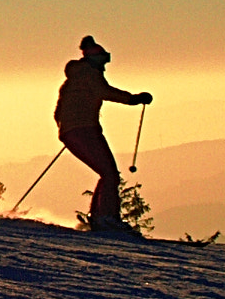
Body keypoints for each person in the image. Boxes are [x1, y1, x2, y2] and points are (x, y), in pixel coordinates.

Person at [53, 35, 153, 232]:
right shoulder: (89, 74)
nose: (105, 67)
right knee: (109, 174)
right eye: (104, 62)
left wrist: (66, 128)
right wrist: (134, 99)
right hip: (84, 130)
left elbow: (59, 109)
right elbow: (105, 92)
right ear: (97, 60)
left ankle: (101, 217)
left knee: (107, 173)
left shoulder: (75, 76)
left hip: (75, 130)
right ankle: (105, 218)